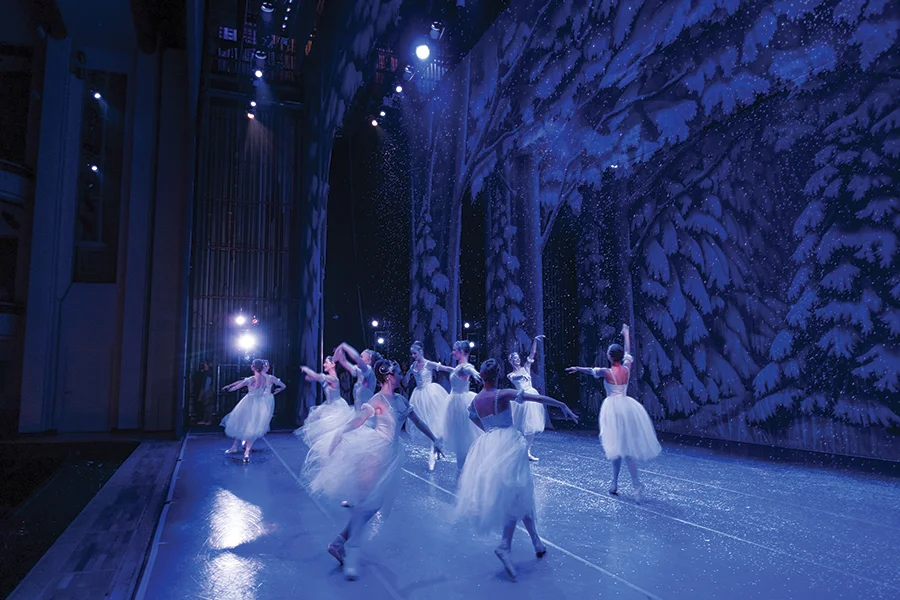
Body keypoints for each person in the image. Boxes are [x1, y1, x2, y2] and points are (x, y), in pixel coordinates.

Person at [303, 359, 443, 580]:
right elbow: (359, 420)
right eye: (399, 372)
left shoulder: (401, 400)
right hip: (375, 453)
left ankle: (340, 542)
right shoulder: (378, 400)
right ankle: (350, 555)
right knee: (367, 503)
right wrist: (340, 433)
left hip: (391, 454)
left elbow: (417, 421)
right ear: (389, 376)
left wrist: (435, 439)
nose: (402, 375)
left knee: (373, 505)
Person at [455, 358, 578, 580]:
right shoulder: (501, 394)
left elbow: (472, 416)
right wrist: (562, 405)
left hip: (490, 443)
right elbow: (536, 397)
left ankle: (536, 541)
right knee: (516, 494)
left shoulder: (477, 399)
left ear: (482, 377)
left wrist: (489, 430)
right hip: (509, 444)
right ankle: (505, 545)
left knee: (521, 493)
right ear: (497, 376)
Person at [567, 324, 660, 499]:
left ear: (610, 357)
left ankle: (621, 483)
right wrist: (626, 334)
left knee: (617, 448)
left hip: (613, 410)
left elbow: (590, 370)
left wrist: (577, 368)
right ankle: (626, 483)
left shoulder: (606, 372)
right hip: (626, 407)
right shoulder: (626, 369)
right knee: (624, 448)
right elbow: (628, 353)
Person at [220, 359, 285, 463]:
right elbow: (244, 382)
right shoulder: (266, 378)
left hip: (249, 403)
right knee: (252, 428)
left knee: (241, 423)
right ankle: (246, 453)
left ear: (253, 367)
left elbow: (240, 385)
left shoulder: (253, 378)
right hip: (260, 404)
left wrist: (231, 388)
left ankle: (235, 446)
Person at [402, 341, 450, 470]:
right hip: (418, 395)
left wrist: (458, 370)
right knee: (424, 422)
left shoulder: (428, 364)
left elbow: (444, 368)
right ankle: (433, 446)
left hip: (431, 394)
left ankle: (434, 449)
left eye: (415, 353)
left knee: (434, 420)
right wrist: (407, 375)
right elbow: (406, 380)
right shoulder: (413, 366)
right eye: (412, 353)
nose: (413, 355)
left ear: (421, 352)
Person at [438, 341, 483, 471]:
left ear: (461, 351)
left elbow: (469, 369)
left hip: (460, 403)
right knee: (460, 438)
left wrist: (475, 373)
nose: (452, 352)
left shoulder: (464, 367)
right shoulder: (458, 367)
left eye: (454, 350)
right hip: (455, 402)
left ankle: (466, 468)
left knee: (464, 437)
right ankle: (462, 468)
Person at [294, 356, 354, 447]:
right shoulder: (327, 378)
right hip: (329, 405)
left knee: (334, 432)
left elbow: (316, 376)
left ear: (333, 364)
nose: (323, 364)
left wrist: (306, 369)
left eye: (326, 362)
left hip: (337, 407)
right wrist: (310, 377)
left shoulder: (333, 379)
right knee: (327, 433)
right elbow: (311, 378)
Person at [508, 334, 546, 461]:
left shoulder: (526, 367)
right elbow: (514, 378)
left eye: (518, 358)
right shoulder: (511, 374)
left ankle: (527, 452)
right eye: (514, 358)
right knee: (519, 428)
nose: (517, 359)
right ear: (511, 361)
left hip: (531, 396)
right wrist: (520, 377)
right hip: (521, 398)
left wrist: (534, 340)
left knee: (531, 428)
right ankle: (515, 450)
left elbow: (532, 354)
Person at [333, 342, 382, 407]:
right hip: (357, 410)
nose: (360, 358)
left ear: (369, 361)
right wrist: (339, 354)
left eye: (361, 357)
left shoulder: (368, 370)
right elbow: (343, 361)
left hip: (365, 413)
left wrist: (344, 346)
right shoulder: (360, 372)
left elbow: (356, 358)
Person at [192, 360, 215, 425]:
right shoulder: (205, 372)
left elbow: (208, 382)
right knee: (204, 405)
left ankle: (208, 420)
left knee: (208, 405)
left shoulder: (208, 373)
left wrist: (205, 391)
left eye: (205, 364)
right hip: (204, 389)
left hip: (206, 390)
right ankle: (205, 419)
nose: (204, 365)